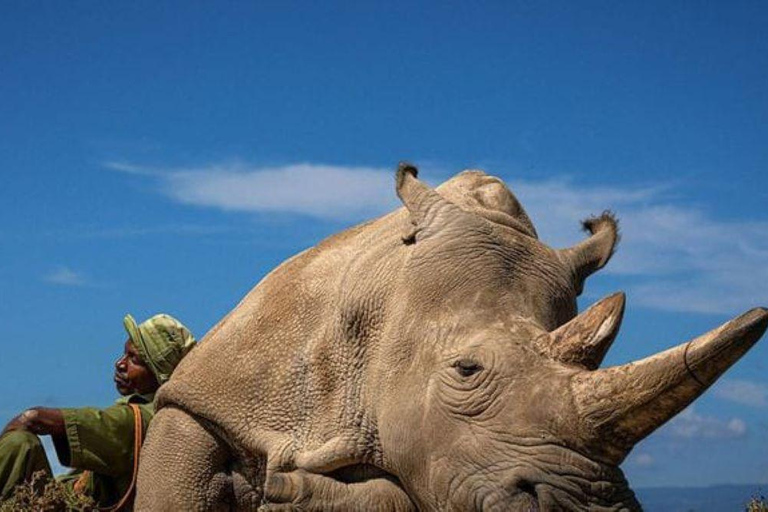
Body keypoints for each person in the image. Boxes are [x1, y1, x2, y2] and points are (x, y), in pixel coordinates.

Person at [0, 313, 196, 508]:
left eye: (134, 359)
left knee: (21, 444)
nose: (120, 364)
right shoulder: (150, 412)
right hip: (65, 497)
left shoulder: (142, 420)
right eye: (125, 354)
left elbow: (36, 418)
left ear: (156, 373)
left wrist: (32, 417)